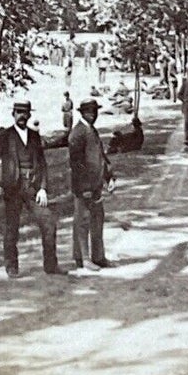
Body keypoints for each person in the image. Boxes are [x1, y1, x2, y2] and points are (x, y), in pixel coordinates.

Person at [0, 100, 62, 276]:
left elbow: (42, 163)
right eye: (18, 112)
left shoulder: (34, 136)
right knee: (12, 227)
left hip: (33, 188)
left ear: (29, 115)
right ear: (13, 114)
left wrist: (43, 188)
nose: (22, 116)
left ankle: (51, 265)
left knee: (48, 222)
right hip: (13, 188)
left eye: (25, 112)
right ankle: (12, 267)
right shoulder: (5, 136)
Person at [68, 98, 113, 269]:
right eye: (88, 112)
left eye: (94, 112)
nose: (92, 115)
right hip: (84, 187)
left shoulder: (91, 130)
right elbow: (76, 163)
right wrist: (83, 187)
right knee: (82, 220)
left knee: (97, 219)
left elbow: (101, 156)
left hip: (96, 184)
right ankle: (83, 258)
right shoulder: (78, 133)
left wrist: (109, 177)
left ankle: (98, 256)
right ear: (82, 113)